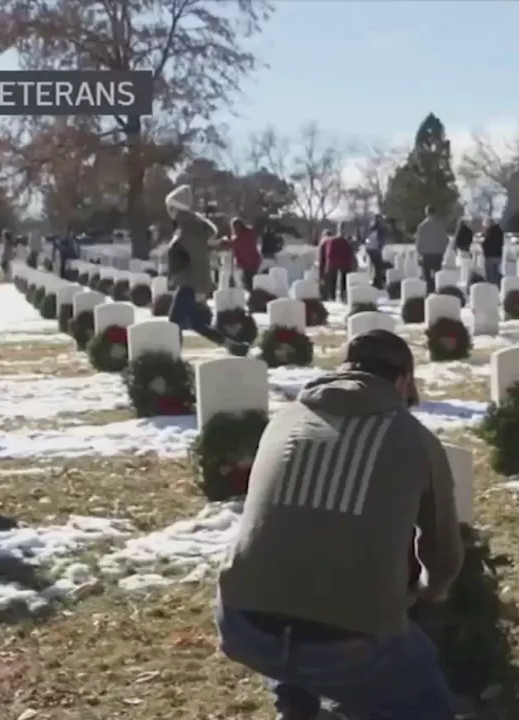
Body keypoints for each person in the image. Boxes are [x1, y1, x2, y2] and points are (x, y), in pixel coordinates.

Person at [216, 328, 464, 720]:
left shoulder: (285, 419)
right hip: (348, 645)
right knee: (422, 685)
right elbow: (443, 557)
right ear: (402, 381)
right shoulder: (414, 439)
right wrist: (429, 594)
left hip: (244, 624)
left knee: (293, 579)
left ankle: (297, 706)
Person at [164, 185, 248, 355]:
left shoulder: (189, 228)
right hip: (189, 283)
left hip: (190, 285)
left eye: (170, 207)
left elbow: (198, 259)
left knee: (173, 322)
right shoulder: (186, 226)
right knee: (198, 324)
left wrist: (201, 289)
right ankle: (233, 346)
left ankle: (172, 358)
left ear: (176, 207)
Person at [414, 205, 449, 292]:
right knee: (437, 275)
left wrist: (419, 252)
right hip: (438, 253)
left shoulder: (422, 226)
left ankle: (429, 292)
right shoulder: (441, 226)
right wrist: (442, 250)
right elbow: (445, 240)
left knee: (427, 276)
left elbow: (418, 241)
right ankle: (438, 291)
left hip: (426, 254)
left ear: (426, 213)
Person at [318, 226, 355, 301]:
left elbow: (322, 260)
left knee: (331, 279)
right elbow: (350, 252)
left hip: (332, 260)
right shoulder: (341, 240)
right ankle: (344, 296)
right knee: (344, 278)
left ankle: (332, 297)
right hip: (345, 260)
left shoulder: (323, 241)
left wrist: (321, 275)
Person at [230, 217, 262, 291]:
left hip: (249, 263)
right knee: (250, 281)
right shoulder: (249, 233)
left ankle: (254, 297)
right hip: (254, 261)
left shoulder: (242, 236)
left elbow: (237, 246)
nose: (235, 228)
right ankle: (254, 296)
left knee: (247, 281)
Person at [364, 214, 389, 289]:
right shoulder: (380, 229)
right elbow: (380, 240)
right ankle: (377, 282)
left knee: (375, 266)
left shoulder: (371, 228)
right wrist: (380, 246)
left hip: (370, 249)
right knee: (378, 266)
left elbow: (367, 239)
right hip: (375, 249)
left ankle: (375, 281)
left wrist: (367, 247)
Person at [481, 218, 504, 284]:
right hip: (498, 256)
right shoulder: (500, 231)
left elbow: (486, 243)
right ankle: (497, 288)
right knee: (497, 274)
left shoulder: (489, 231)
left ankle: (491, 290)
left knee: (490, 276)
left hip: (490, 256)